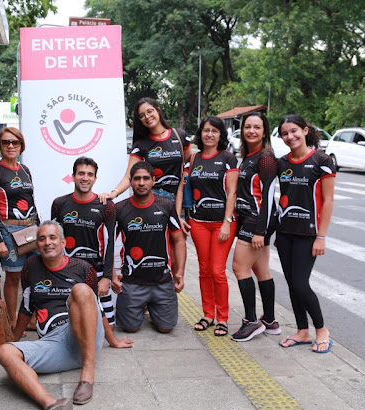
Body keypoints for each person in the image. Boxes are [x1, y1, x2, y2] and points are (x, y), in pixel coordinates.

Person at [0, 221, 133, 410]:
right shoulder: (31, 267)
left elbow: (98, 307)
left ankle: (87, 375)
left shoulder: (83, 268)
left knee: (81, 290)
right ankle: (51, 404)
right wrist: (13, 341)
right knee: (4, 352)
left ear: (63, 242)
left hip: (84, 335)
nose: (47, 242)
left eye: (52, 238)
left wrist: (112, 340)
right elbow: (26, 307)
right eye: (42, 239)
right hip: (53, 343)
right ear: (36, 245)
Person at [276, 114, 335, 354]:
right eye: (285, 133)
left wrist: (321, 236)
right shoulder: (281, 163)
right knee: (292, 284)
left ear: (305, 130)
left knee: (301, 283)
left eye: (294, 131)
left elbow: (328, 200)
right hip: (284, 232)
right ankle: (302, 330)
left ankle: (322, 330)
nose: (290, 136)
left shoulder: (322, 161)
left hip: (308, 234)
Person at [113, 161, 186, 333]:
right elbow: (107, 244)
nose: (141, 183)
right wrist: (112, 275)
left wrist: (179, 272)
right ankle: (142, 306)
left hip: (162, 281)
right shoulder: (119, 209)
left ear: (153, 180)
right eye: (137, 179)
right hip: (132, 282)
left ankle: (153, 307)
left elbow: (179, 240)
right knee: (129, 328)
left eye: (146, 178)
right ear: (130, 181)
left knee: (166, 328)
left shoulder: (166, 205)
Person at [230, 112, 280, 342]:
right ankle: (269, 321)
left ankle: (251, 321)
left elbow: (268, 196)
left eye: (257, 127)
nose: (251, 131)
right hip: (250, 218)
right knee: (262, 271)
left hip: (257, 220)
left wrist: (261, 230)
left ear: (264, 131)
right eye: (248, 127)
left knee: (239, 267)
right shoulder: (248, 156)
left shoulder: (266, 158)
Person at [0, 127, 39, 329]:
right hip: (9, 230)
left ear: (21, 146)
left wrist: (40, 228)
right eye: (6, 142)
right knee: (14, 276)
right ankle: (12, 322)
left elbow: (31, 201)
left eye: (15, 142)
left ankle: (31, 319)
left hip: (31, 228)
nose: (11, 146)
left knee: (34, 274)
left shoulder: (25, 170)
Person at [188, 116, 238, 337]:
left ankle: (223, 318)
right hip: (199, 222)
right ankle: (208, 314)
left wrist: (227, 221)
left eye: (214, 131)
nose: (209, 134)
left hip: (222, 224)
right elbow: (187, 187)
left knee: (218, 271)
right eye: (206, 130)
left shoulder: (227, 158)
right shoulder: (194, 157)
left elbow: (232, 193)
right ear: (200, 133)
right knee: (204, 270)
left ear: (220, 135)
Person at [51, 157, 117, 325]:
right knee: (68, 324)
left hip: (97, 274)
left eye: (90, 174)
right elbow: (53, 242)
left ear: (95, 178)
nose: (85, 178)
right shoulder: (59, 203)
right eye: (81, 173)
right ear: (73, 176)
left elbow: (110, 245)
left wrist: (106, 278)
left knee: (108, 326)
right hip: (67, 274)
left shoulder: (106, 206)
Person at [100, 98, 191, 215]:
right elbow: (129, 176)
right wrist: (114, 193)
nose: (147, 117)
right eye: (142, 115)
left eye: (149, 111)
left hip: (179, 199)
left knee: (178, 227)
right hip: (153, 199)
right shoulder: (141, 144)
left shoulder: (179, 135)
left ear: (158, 110)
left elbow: (190, 165)